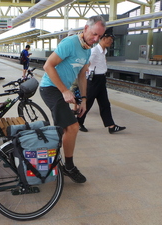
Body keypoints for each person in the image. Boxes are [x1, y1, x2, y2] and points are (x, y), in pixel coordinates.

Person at [39, 16, 106, 183]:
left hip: (63, 90)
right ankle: (68, 167)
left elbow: (82, 75)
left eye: (99, 36)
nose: (96, 39)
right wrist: (64, 91)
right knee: (73, 127)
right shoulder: (69, 43)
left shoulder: (88, 50)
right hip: (50, 88)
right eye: (94, 34)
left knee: (65, 127)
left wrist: (83, 99)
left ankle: (54, 159)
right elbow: (47, 66)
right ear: (85, 29)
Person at [77, 27, 126, 134]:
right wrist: (85, 72)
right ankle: (78, 122)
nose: (111, 41)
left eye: (112, 40)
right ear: (103, 38)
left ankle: (111, 126)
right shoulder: (94, 51)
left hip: (101, 79)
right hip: (94, 80)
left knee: (105, 104)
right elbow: (86, 64)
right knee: (88, 103)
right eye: (110, 39)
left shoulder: (104, 51)